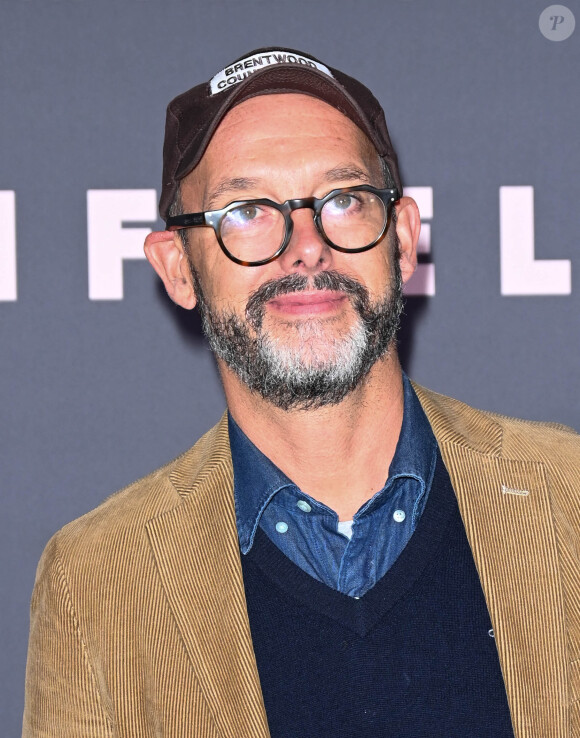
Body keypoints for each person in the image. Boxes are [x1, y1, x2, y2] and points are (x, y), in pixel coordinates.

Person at [23, 47, 580, 738]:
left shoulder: (569, 500)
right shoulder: (98, 581)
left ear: (403, 240)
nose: (306, 246)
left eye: (342, 200)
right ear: (178, 268)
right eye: (247, 211)